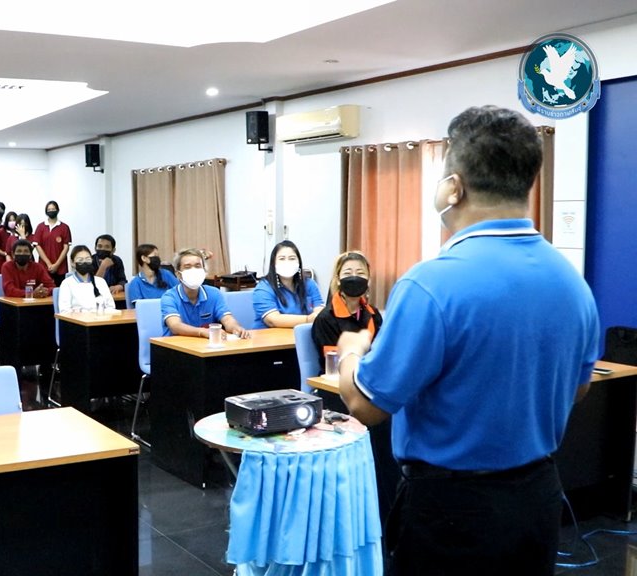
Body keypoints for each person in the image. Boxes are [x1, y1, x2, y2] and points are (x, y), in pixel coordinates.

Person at [335, 106, 599, 574]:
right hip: (537, 500)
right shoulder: (572, 283)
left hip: (451, 511)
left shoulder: (431, 285)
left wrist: (351, 353)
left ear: (453, 188)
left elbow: (366, 405)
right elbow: (578, 389)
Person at [312, 251, 383, 369]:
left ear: (368, 280)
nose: (354, 277)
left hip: (370, 374)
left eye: (360, 273)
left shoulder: (374, 314)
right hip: (337, 376)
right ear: (338, 279)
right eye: (347, 273)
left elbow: (381, 352)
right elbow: (333, 362)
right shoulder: (326, 319)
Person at [161, 248, 250, 338]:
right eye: (187, 267)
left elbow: (227, 319)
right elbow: (175, 326)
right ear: (178, 274)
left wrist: (236, 328)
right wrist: (202, 332)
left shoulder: (214, 293)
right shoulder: (169, 297)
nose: (194, 270)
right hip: (176, 345)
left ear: (204, 270)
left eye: (198, 266)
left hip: (206, 344)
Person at [252, 241, 324, 329]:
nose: (287, 262)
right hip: (270, 336)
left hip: (302, 334)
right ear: (273, 263)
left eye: (292, 258)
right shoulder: (263, 288)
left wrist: (317, 316)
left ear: (299, 262)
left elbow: (320, 310)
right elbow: (272, 320)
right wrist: (308, 319)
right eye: (282, 259)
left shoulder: (309, 284)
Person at [59, 245, 115, 312]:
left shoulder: (101, 281)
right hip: (77, 318)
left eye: (88, 259)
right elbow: (65, 311)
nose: (84, 262)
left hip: (101, 318)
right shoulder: (67, 283)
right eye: (80, 260)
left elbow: (111, 307)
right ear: (72, 263)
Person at [34, 200, 71, 285]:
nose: (51, 211)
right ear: (46, 211)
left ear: (58, 210)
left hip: (60, 268)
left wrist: (56, 265)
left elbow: (66, 247)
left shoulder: (64, 227)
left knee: (59, 290)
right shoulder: (40, 227)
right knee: (44, 290)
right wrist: (48, 263)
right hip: (44, 267)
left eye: (53, 209)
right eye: (49, 209)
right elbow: (38, 246)